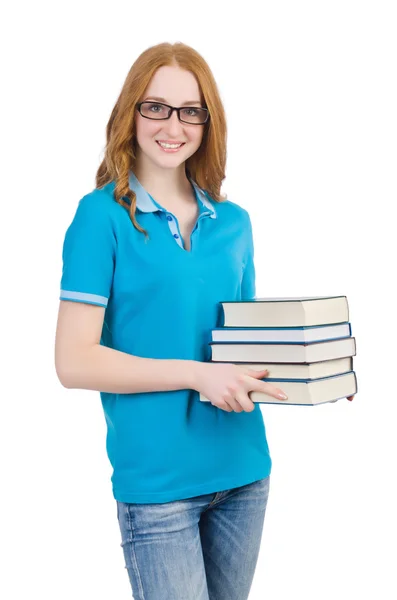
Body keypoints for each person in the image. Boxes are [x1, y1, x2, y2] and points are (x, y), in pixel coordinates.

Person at [55, 42, 354, 600]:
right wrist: (196, 375)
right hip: (159, 483)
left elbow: (239, 347)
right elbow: (74, 361)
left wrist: (315, 372)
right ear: (130, 113)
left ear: (207, 122)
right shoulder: (101, 218)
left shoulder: (234, 223)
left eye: (191, 110)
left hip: (244, 470)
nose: (174, 125)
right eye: (156, 107)